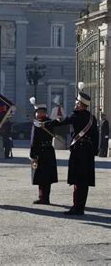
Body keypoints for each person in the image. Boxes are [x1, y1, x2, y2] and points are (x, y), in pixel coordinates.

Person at [44, 82, 99, 215]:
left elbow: (61, 122)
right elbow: (96, 137)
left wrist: (44, 124)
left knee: (77, 179)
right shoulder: (92, 118)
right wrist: (94, 151)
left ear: (81, 105)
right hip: (88, 152)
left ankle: (76, 207)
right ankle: (81, 206)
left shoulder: (75, 116)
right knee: (84, 180)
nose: (75, 104)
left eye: (76, 103)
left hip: (78, 151)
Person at [29, 97, 58, 205]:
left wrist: (32, 154)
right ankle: (45, 197)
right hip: (49, 151)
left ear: (41, 113)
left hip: (40, 153)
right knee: (46, 177)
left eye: (38, 112)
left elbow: (33, 140)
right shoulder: (49, 122)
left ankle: (43, 198)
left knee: (42, 176)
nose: (37, 114)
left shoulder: (39, 123)